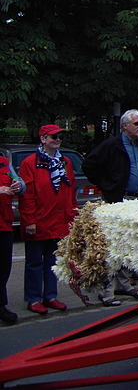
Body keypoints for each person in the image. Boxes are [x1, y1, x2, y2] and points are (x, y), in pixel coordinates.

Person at [83, 109, 138, 306]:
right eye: (136, 123)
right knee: (112, 245)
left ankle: (124, 283)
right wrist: (107, 185)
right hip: (117, 200)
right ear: (124, 126)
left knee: (129, 244)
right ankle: (107, 290)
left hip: (137, 200)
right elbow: (89, 165)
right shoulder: (111, 145)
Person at [19, 125, 79, 314]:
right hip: (39, 220)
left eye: (60, 136)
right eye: (54, 136)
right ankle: (34, 298)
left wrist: (72, 216)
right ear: (43, 139)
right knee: (35, 262)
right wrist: (29, 220)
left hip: (59, 220)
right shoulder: (30, 162)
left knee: (54, 262)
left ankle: (50, 296)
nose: (58, 139)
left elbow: (71, 191)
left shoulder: (65, 162)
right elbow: (27, 194)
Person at [1, 154, 24, 324]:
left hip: (4, 223)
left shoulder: (3, 162)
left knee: (3, 268)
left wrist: (18, 185)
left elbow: (20, 183)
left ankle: (1, 306)